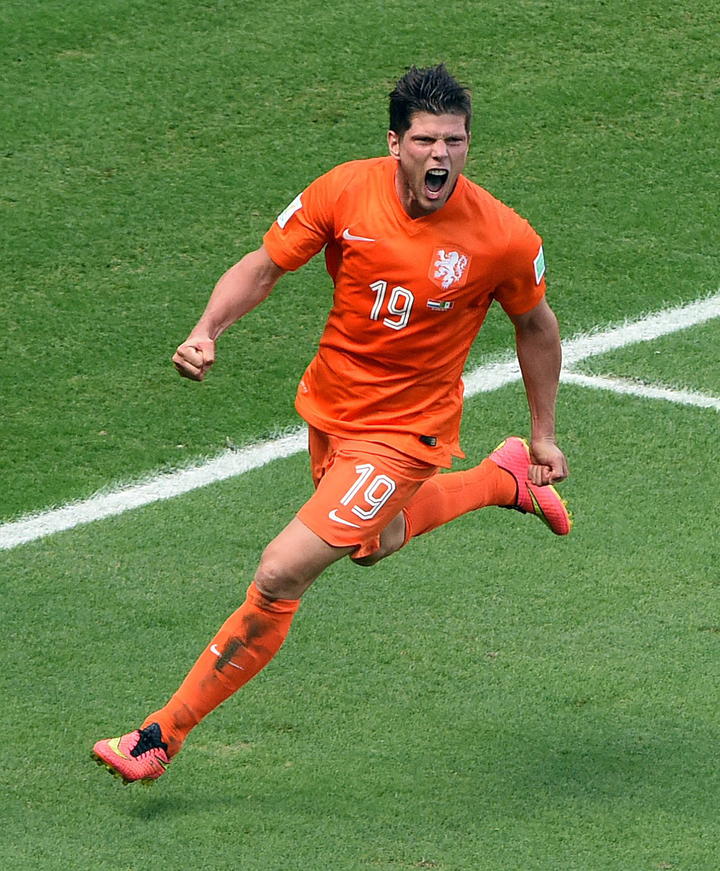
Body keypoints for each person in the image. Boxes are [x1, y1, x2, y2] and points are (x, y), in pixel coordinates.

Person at [92, 63, 571, 784]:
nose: (441, 155)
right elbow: (263, 266)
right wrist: (207, 328)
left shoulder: (500, 236)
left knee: (281, 570)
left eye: (455, 141)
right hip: (332, 409)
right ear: (394, 143)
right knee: (379, 543)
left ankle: (161, 734)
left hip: (408, 432)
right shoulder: (343, 191)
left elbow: (535, 325)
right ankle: (499, 481)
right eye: (425, 140)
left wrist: (545, 431)